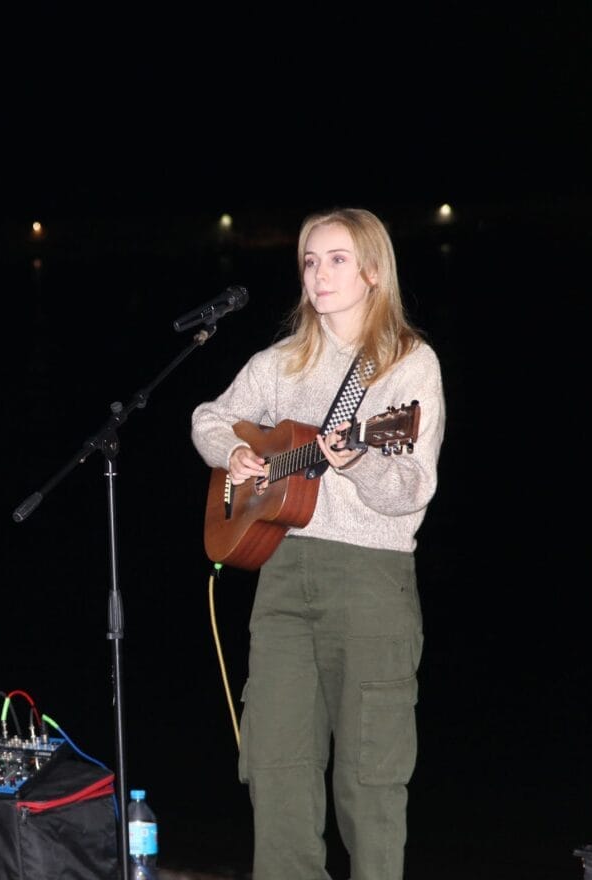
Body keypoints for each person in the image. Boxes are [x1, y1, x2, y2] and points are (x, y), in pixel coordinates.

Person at [190, 207, 444, 880]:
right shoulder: (281, 362)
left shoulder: (406, 365)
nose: (319, 272)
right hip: (281, 580)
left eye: (335, 259)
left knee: (370, 779)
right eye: (309, 260)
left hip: (369, 582)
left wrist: (357, 460)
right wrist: (238, 451)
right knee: (274, 771)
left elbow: (411, 488)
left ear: (370, 271)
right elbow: (208, 418)